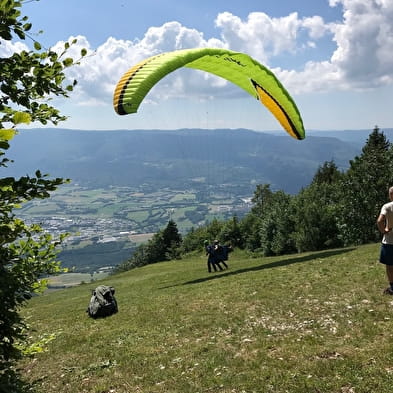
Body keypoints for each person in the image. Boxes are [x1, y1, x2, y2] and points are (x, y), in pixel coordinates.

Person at [377, 186, 393, 294]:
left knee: (390, 266)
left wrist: (384, 231)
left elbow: (379, 221)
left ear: (391, 195)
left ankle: (392, 288)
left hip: (390, 241)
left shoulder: (387, 206)